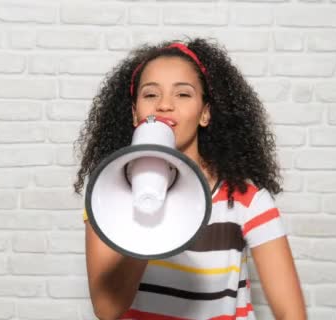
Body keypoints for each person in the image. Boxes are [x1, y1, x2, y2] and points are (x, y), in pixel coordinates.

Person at [72, 38, 306, 320]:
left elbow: (292, 314)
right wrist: (147, 217)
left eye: (182, 95)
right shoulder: (106, 192)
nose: (165, 105)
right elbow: (107, 310)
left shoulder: (247, 200)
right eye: (150, 95)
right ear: (135, 114)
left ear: (205, 113)